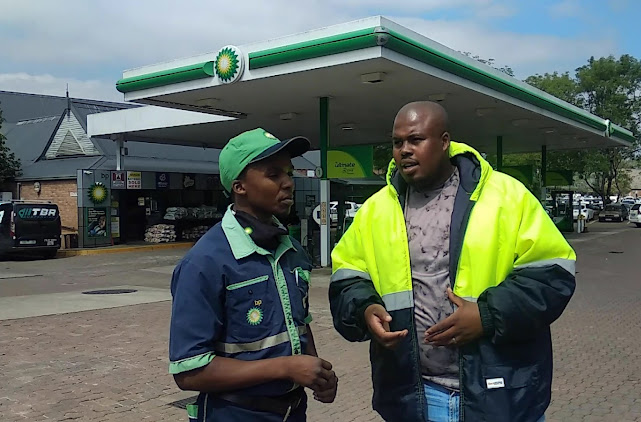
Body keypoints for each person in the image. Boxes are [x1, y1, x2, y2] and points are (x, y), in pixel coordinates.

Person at [329, 102, 576, 422]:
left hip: (498, 396)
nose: (404, 150)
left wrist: (487, 315)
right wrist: (364, 308)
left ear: (444, 141)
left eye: (416, 140)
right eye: (397, 142)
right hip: (415, 397)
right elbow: (347, 276)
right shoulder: (377, 210)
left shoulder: (506, 197)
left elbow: (552, 274)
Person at [169, 128, 337, 422]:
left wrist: (316, 369)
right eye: (273, 175)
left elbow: (299, 322)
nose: (288, 184)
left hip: (294, 412)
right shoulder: (204, 263)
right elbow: (189, 371)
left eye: (289, 173)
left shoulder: (292, 250)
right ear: (239, 186)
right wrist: (286, 367)